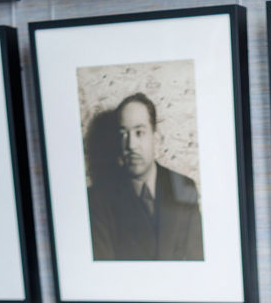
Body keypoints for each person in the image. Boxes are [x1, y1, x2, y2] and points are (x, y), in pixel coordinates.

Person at [87, 93, 203, 261]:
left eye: (139, 132)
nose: (131, 145)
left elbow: (198, 260)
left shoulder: (184, 187)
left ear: (155, 137)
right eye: (123, 134)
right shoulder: (98, 199)